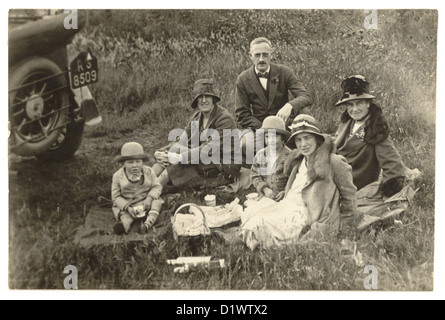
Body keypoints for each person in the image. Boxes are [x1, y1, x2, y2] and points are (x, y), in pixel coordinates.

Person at [240, 115, 357, 250]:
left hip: (307, 215)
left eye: (307, 138)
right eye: (298, 140)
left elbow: (349, 196)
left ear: (317, 139)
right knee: (251, 215)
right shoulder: (299, 160)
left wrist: (345, 230)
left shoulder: (333, 162)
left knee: (257, 226)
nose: (303, 144)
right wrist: (286, 192)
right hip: (287, 206)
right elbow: (298, 186)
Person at [235, 37, 312, 164]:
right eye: (257, 55)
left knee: (304, 111)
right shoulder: (243, 79)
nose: (261, 59)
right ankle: (271, 160)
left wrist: (289, 106)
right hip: (259, 129)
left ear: (272, 54)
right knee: (245, 145)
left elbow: (305, 96)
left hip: (285, 126)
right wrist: (266, 128)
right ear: (250, 56)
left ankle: (300, 155)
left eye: (265, 55)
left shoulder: (284, 72)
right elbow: (242, 114)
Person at [152, 79, 241, 188]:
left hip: (224, 166)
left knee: (177, 165)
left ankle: (148, 195)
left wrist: (178, 157)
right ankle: (139, 186)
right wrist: (162, 152)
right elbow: (182, 140)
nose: (204, 100)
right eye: (200, 97)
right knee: (163, 162)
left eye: (207, 96)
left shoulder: (224, 119)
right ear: (196, 101)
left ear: (213, 99)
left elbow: (208, 149)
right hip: (203, 159)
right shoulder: (196, 117)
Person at [333, 75, 407, 197]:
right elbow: (337, 141)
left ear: (368, 103)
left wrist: (391, 183)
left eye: (359, 103)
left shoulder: (375, 128)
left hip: (354, 181)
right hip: (336, 173)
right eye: (350, 105)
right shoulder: (348, 122)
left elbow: (393, 164)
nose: (354, 109)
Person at [112, 142, 164, 235]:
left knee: (156, 203)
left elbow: (157, 186)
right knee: (125, 216)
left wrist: (149, 198)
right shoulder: (117, 176)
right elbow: (115, 197)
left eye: (138, 161)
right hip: (128, 205)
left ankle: (147, 224)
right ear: (123, 163)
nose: (135, 165)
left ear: (142, 162)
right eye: (130, 162)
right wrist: (127, 207)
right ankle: (124, 226)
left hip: (146, 202)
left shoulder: (149, 172)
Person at [251, 116, 291, 201]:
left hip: (285, 198)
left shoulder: (290, 156)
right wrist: (264, 189)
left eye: (275, 136)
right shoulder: (261, 155)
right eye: (267, 137)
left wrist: (286, 191)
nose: (270, 140)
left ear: (282, 138)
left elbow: (294, 179)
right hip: (265, 196)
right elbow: (255, 175)